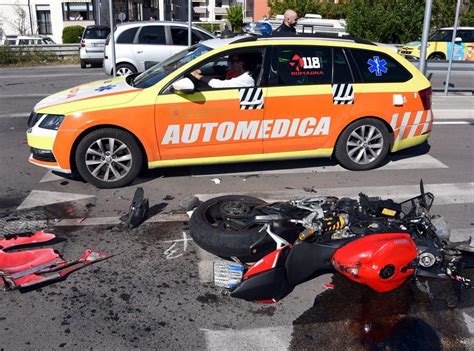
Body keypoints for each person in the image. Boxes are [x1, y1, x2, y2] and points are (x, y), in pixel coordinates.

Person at [191, 54, 255, 88]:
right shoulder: (238, 73)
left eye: (232, 61)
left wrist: (198, 76)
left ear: (241, 63)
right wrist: (200, 71)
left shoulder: (246, 79)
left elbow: (221, 84)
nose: (230, 63)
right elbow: (221, 71)